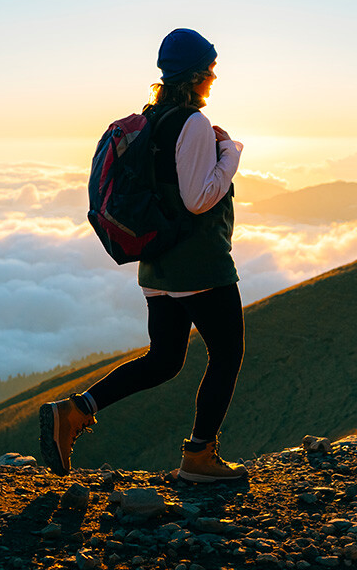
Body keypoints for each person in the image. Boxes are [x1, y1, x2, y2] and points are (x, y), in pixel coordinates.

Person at [40, 28, 248, 482]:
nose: (214, 75)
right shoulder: (191, 123)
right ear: (195, 73)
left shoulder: (153, 120)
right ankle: (199, 456)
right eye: (210, 67)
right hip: (199, 264)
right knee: (228, 353)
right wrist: (229, 153)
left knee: (165, 359)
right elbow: (199, 198)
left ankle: (75, 412)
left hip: (158, 264)